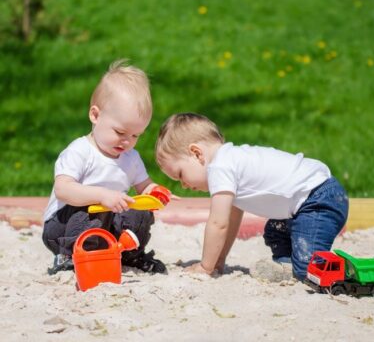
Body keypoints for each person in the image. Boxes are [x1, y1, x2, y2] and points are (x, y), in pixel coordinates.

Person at [155, 113, 349, 281]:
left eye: (180, 174)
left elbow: (218, 224)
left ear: (197, 154)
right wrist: (218, 261)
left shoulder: (220, 167)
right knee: (275, 231)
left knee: (310, 270)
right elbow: (230, 221)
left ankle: (353, 272)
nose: (183, 185)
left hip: (318, 200)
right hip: (310, 201)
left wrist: (205, 267)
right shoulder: (230, 161)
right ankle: (287, 266)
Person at [42, 60, 167, 275]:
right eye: (119, 132)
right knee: (88, 210)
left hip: (107, 224)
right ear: (95, 115)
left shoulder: (131, 158)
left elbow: (143, 187)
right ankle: (68, 256)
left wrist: (155, 192)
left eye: (135, 135)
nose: (126, 141)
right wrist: (101, 196)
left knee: (140, 212)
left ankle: (129, 254)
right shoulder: (80, 152)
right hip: (64, 227)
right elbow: (64, 189)